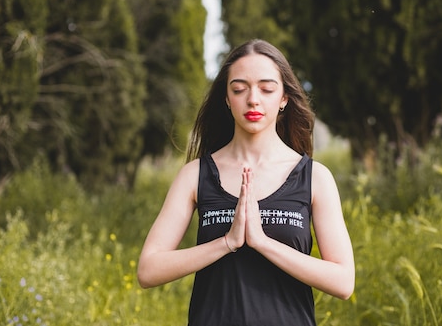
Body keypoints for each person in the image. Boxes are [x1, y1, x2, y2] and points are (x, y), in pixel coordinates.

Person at [137, 39, 355, 326]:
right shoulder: (195, 175)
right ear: (227, 99)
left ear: (284, 98)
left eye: (266, 89)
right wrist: (227, 242)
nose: (253, 99)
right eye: (239, 89)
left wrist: (262, 242)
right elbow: (148, 269)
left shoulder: (314, 178)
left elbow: (343, 281)